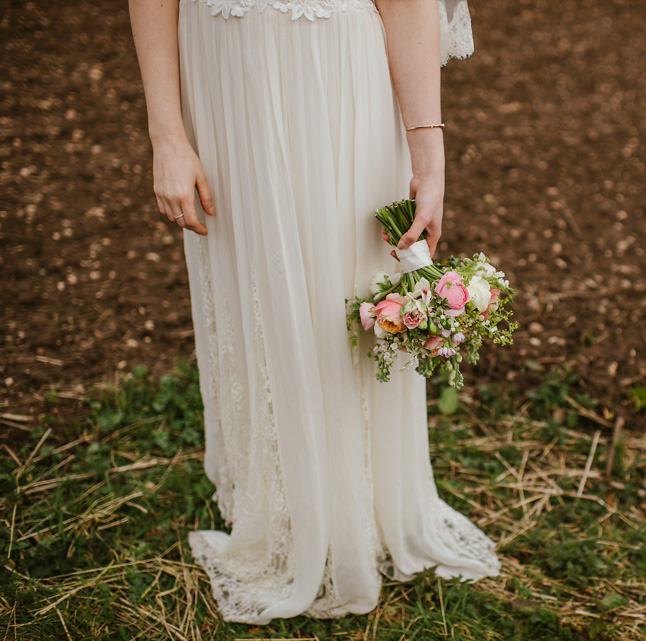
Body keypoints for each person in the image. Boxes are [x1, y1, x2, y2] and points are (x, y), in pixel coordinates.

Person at [128, 0, 499, 624]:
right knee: (255, 282)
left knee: (344, 292)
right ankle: (278, 498)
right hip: (223, 73)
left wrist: (429, 158)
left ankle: (363, 512)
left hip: (337, 73)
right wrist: (167, 133)